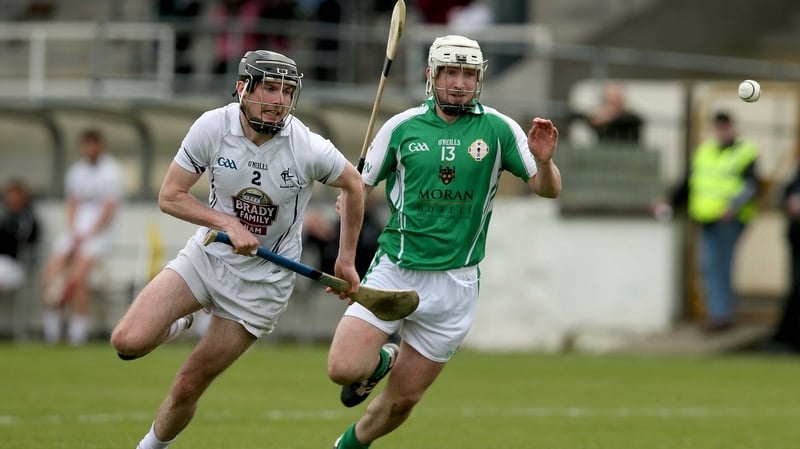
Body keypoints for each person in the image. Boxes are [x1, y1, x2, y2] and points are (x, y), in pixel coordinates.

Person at [110, 49, 364, 449]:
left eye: (286, 91)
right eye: (269, 88)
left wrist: (345, 258)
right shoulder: (213, 127)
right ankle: (178, 323)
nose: (279, 100)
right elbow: (170, 196)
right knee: (127, 342)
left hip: (262, 286)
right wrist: (226, 222)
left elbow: (353, 185)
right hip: (208, 256)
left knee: (188, 384)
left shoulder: (307, 148)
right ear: (243, 89)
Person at [325, 35, 561, 449]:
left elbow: (548, 190)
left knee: (402, 402)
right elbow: (354, 191)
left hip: (455, 284)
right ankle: (384, 359)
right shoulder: (401, 127)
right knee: (344, 369)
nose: (459, 83)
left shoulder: (499, 128)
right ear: (431, 75)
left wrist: (544, 162)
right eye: (450, 73)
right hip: (394, 272)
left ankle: (349, 445)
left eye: (468, 74)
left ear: (479, 79)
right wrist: (347, 252)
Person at [656, 111, 759, 333]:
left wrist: (732, 207)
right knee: (710, 266)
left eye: (725, 127)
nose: (721, 131)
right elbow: (688, 182)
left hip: (729, 219)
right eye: (718, 127)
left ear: (732, 127)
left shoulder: (745, 152)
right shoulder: (704, 151)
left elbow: (751, 186)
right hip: (706, 217)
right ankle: (719, 313)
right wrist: (669, 202)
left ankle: (721, 316)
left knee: (719, 265)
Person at [41, 129, 125, 346]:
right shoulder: (76, 171)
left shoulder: (111, 171)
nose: (89, 149)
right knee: (52, 271)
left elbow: (108, 209)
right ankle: (51, 330)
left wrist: (88, 235)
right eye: (85, 144)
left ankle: (77, 333)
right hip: (75, 231)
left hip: (99, 234)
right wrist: (73, 232)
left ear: (101, 146)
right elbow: (72, 203)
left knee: (78, 278)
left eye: (93, 144)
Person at [768, 165, 800, 351]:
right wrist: (789, 203)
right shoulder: (795, 173)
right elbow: (782, 194)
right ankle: (788, 337)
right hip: (797, 236)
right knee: (796, 285)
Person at [0, 178, 40, 293]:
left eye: (15, 197)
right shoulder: (5, 218)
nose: (12, 201)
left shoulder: (28, 219)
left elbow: (27, 242)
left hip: (14, 265)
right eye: (9, 197)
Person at [574, 83, 643, 145]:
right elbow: (588, 120)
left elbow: (631, 120)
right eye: (610, 101)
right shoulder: (600, 119)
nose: (613, 104)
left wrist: (607, 116)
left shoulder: (630, 118)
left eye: (616, 100)